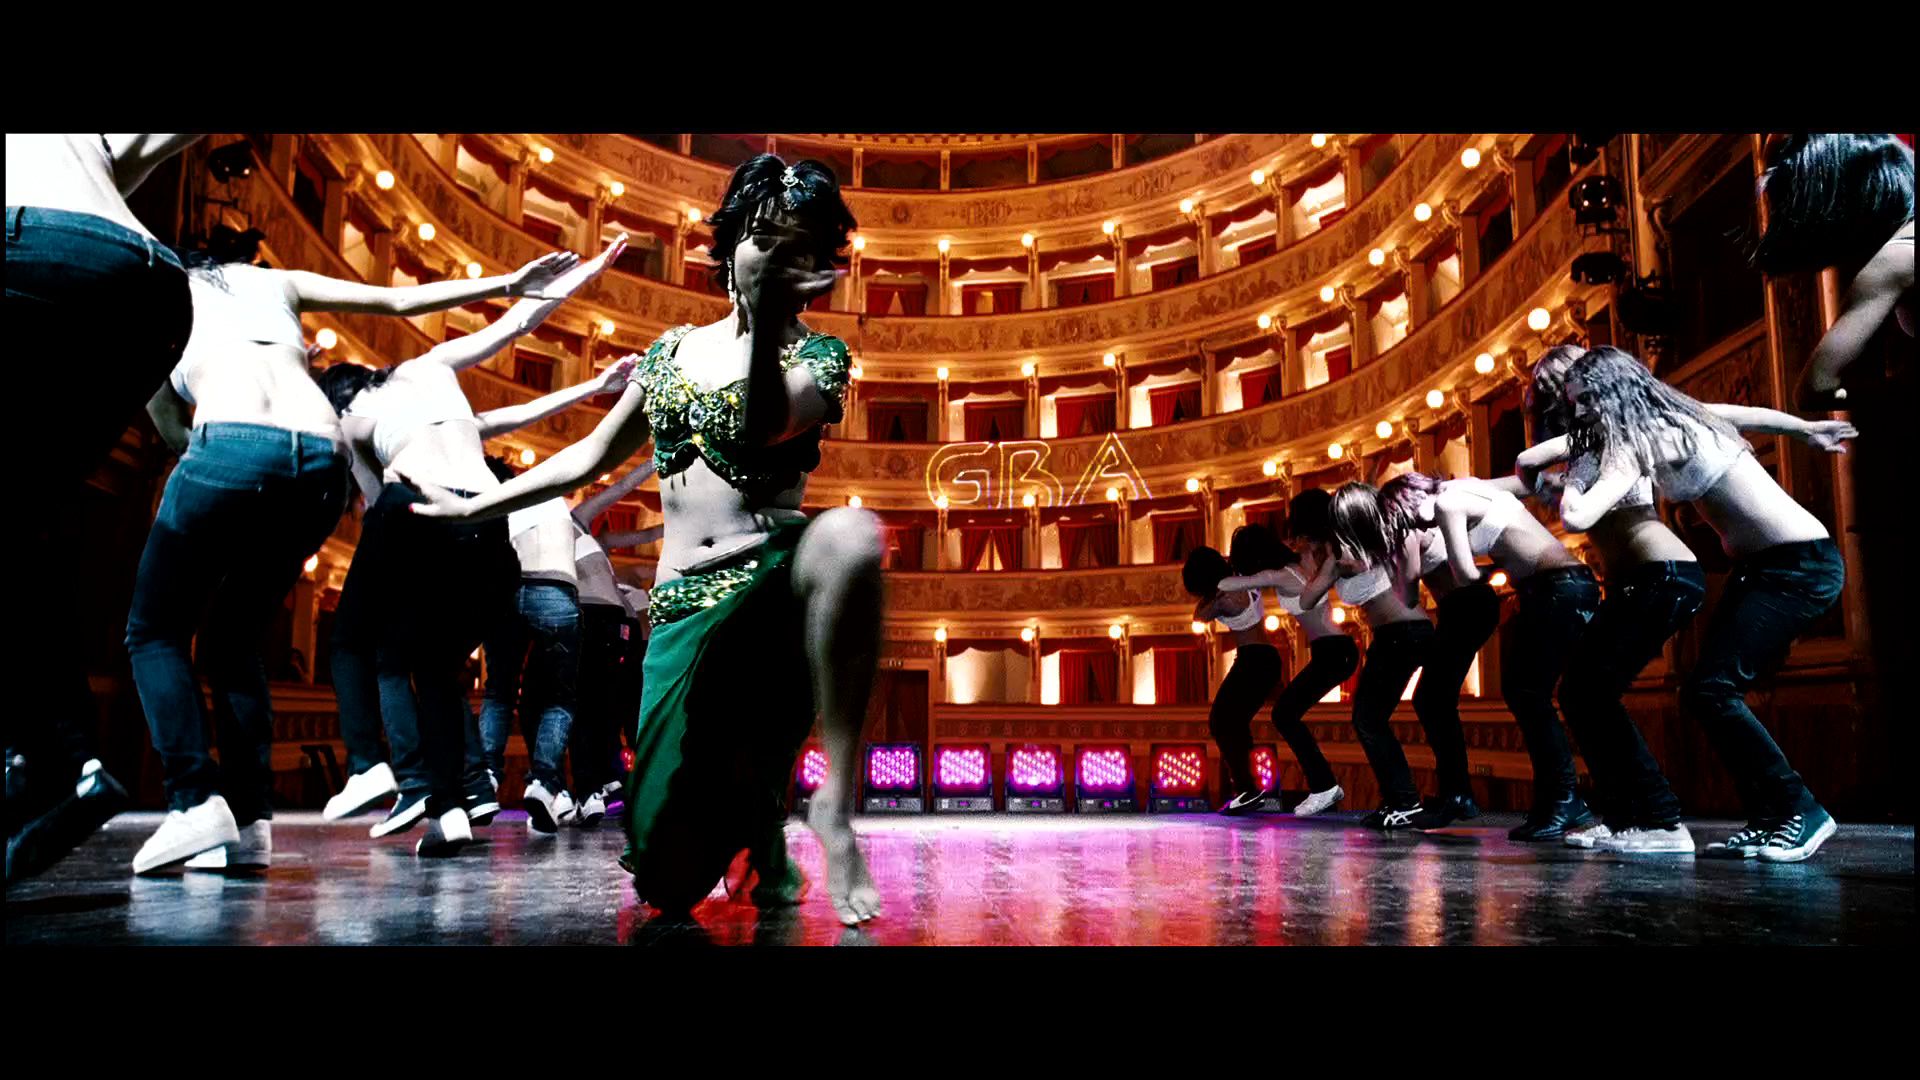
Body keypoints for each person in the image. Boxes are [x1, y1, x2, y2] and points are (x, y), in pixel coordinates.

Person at [407, 155, 884, 923]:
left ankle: (833, 802)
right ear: (731, 243)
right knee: (666, 883)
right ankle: (753, 831)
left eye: (796, 247)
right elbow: (589, 455)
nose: (774, 258)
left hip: (771, 598)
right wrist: (477, 507)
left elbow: (763, 425)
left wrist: (767, 326)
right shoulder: (668, 354)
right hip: (682, 611)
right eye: (762, 238)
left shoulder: (818, 357)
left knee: (852, 535)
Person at [318, 236, 630, 856]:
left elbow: (379, 500)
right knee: (437, 667)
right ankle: (450, 807)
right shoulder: (431, 367)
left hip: (423, 508)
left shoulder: (350, 417)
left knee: (357, 641)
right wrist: (591, 272)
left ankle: (371, 766)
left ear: (345, 395)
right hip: (489, 523)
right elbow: (516, 324)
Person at [1520, 345, 1857, 861]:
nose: (1579, 410)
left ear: (1614, 391)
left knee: (1713, 690)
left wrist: (1569, 484)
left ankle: (1800, 810)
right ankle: (1772, 816)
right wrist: (1804, 429)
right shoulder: (1674, 414)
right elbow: (1746, 414)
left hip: (1799, 565)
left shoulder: (1644, 437)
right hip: (1764, 568)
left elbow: (1580, 517)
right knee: (1704, 692)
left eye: (1586, 399)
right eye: (1572, 401)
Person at [6, 134, 204, 884]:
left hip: (30, 250)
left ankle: (42, 757)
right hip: (148, 285)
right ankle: (62, 762)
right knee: (24, 519)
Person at [1365, 470, 1600, 839]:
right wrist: (1559, 482)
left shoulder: (1441, 507)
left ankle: (1552, 799)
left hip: (1521, 592)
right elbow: (1525, 483)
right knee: (1516, 694)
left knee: (1523, 694)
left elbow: (1448, 580)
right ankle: (1547, 799)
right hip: (1533, 589)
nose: (1413, 527)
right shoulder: (1462, 491)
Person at [1213, 502, 1349, 816]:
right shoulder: (1303, 561)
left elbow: (1226, 584)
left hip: (1333, 651)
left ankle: (1325, 786)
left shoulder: (1281, 575)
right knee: (1286, 713)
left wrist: (1241, 573)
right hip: (1334, 650)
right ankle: (1325, 785)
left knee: (1285, 714)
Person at [1183, 544, 1283, 813]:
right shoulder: (1241, 578)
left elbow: (1199, 615)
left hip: (1254, 660)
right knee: (1232, 722)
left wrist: (1212, 599)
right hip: (1262, 658)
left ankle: (1247, 789)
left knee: (1221, 721)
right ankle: (1247, 787)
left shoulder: (1226, 599)